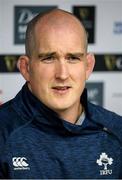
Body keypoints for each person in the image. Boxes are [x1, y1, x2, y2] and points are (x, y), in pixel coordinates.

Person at [0, 8, 122, 179]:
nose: (62, 74)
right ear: (26, 68)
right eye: (48, 58)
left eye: (73, 58)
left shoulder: (117, 130)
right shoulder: (3, 133)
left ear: (88, 66)